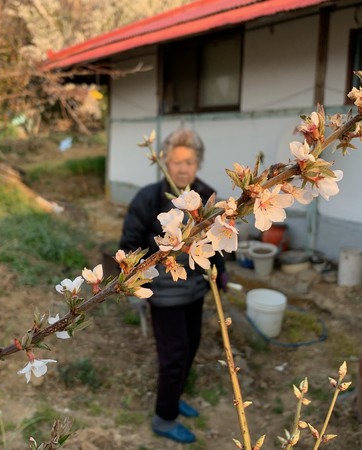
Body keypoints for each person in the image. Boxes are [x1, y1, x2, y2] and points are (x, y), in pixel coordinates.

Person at [119, 128, 227, 444]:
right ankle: (164, 418)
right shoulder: (148, 198)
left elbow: (217, 242)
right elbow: (128, 245)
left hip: (194, 288)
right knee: (174, 353)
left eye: (189, 162)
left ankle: (175, 396)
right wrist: (132, 284)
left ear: (198, 164)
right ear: (165, 160)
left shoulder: (206, 196)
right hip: (163, 292)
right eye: (176, 161)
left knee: (191, 345)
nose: (182, 168)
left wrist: (221, 275)